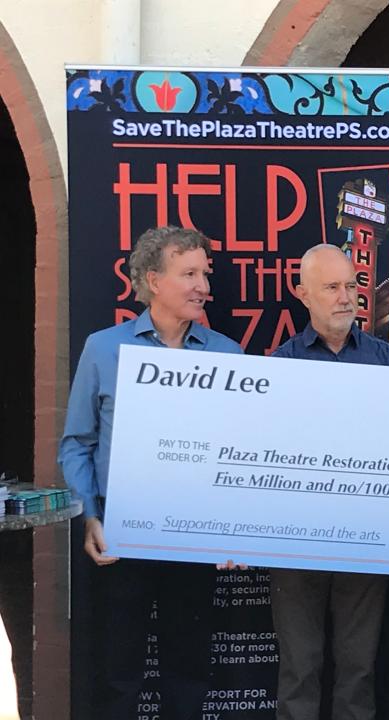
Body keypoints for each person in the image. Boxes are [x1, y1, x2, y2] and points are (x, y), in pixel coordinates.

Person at [59, 226, 243, 719]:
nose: (204, 285)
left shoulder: (229, 355)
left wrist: (233, 528)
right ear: (152, 279)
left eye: (205, 273)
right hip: (121, 536)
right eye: (189, 273)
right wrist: (91, 518)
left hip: (194, 538)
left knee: (189, 671)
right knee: (118, 673)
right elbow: (76, 444)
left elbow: (241, 452)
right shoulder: (104, 349)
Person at [269, 243, 389, 720]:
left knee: (358, 670)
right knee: (299, 668)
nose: (346, 297)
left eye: (351, 285)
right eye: (332, 287)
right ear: (302, 293)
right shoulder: (279, 365)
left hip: (364, 537)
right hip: (295, 539)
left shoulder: (387, 360)